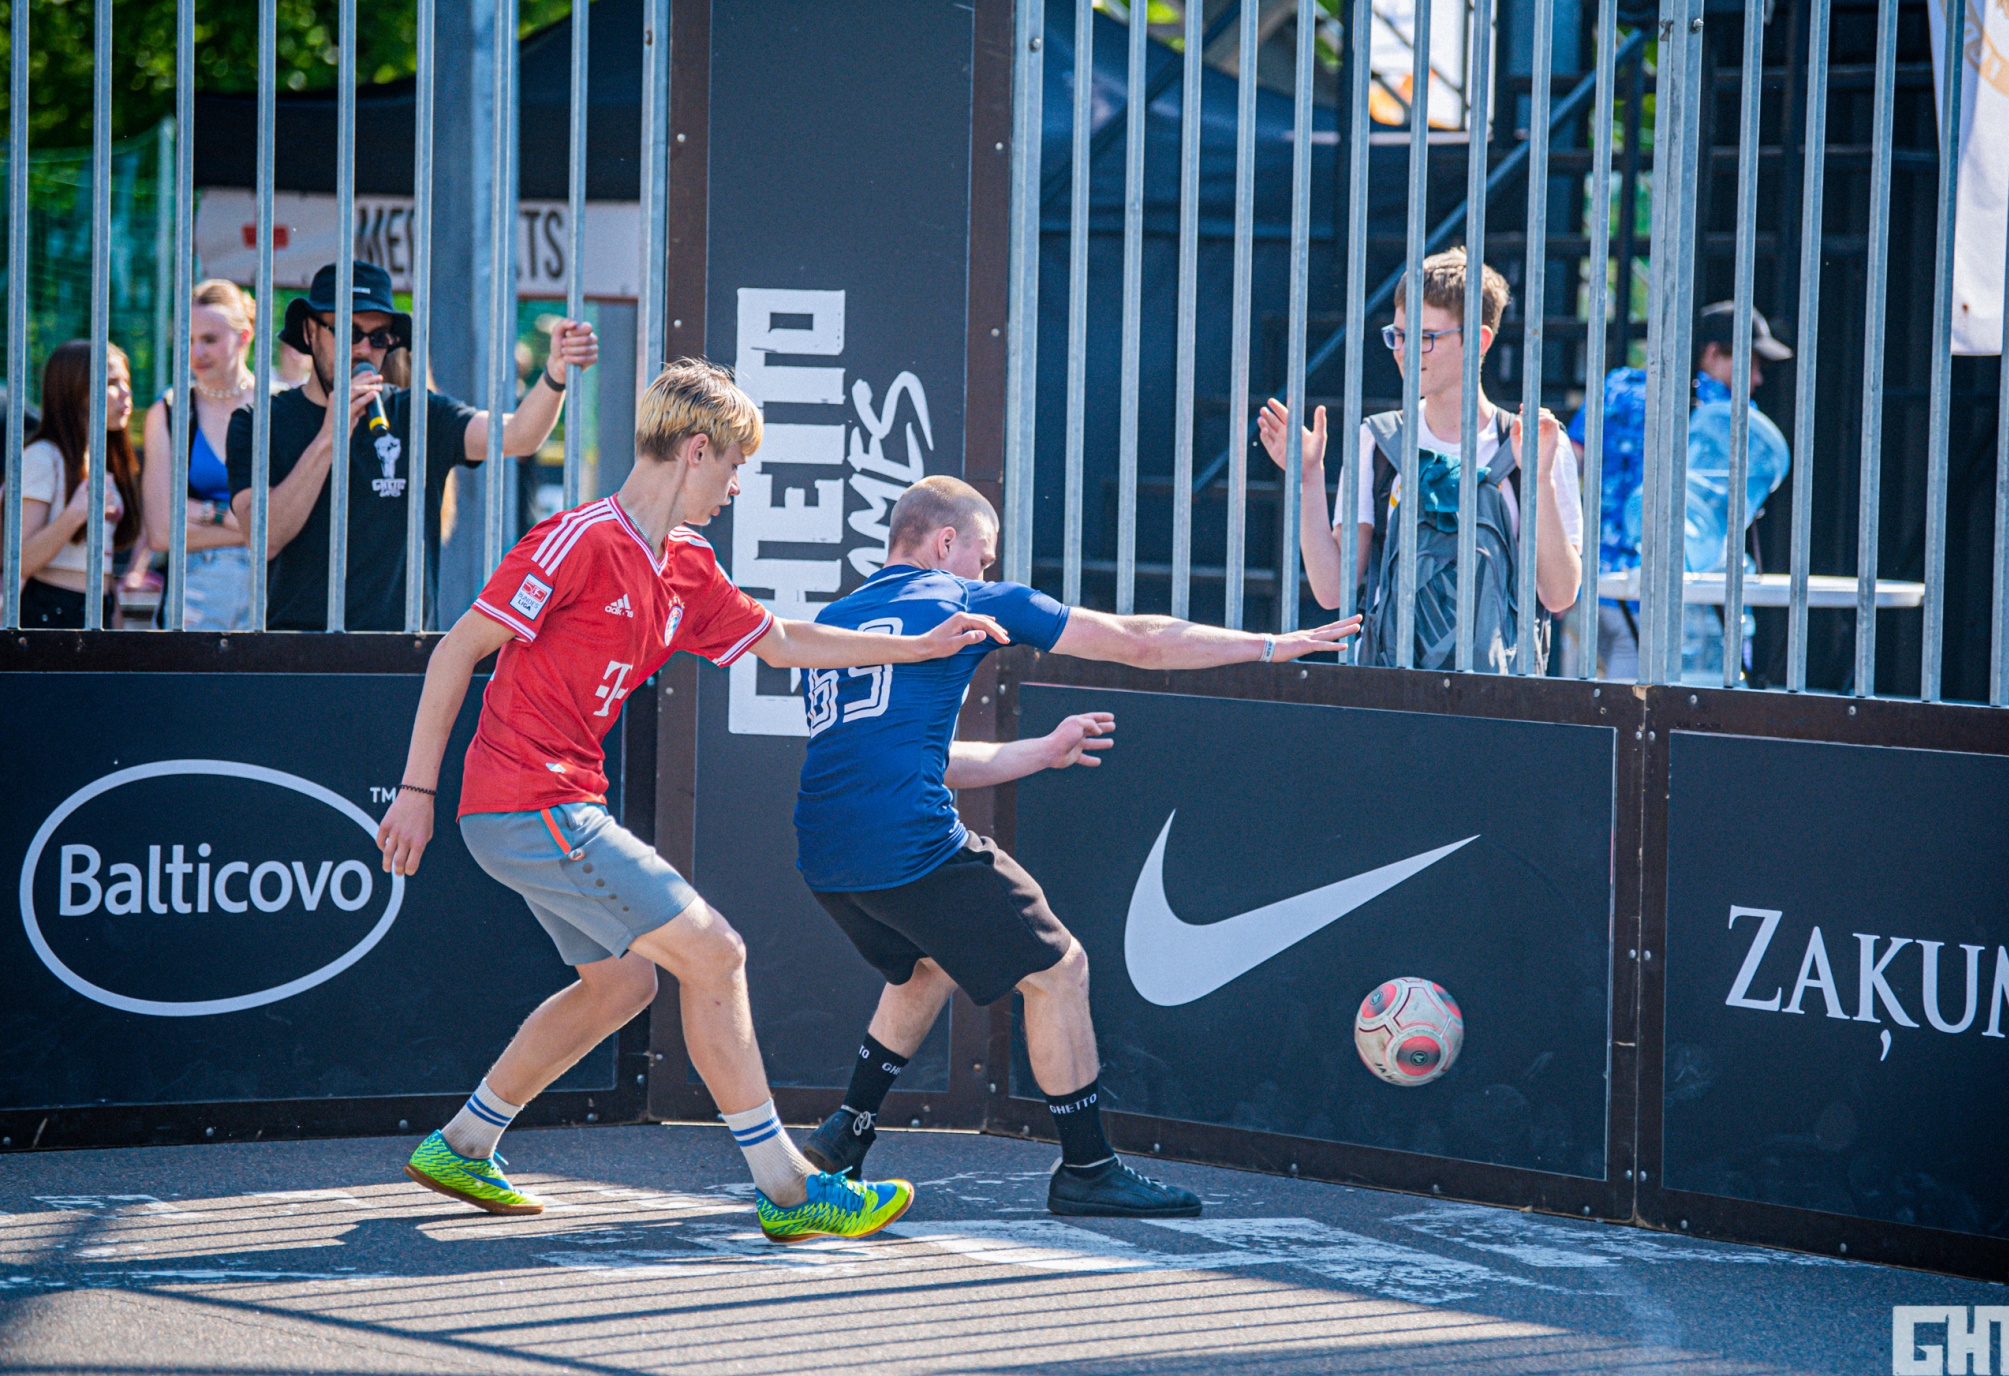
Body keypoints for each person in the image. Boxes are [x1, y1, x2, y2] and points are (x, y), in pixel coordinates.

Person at [373, 359, 1014, 1242]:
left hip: (552, 807)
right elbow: (457, 651)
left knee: (623, 985)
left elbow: (782, 643)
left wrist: (919, 648)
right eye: (735, 465)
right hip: (528, 802)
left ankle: (464, 1143)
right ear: (697, 449)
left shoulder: (686, 564)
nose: (737, 486)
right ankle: (789, 1188)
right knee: (717, 954)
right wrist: (415, 791)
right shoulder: (576, 541)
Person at [792, 476, 1360, 1218]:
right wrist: (1269, 645)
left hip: (826, 857)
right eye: (983, 556)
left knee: (927, 966)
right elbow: (1139, 642)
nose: (986, 571)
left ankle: (844, 1135)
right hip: (908, 843)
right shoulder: (964, 601)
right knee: (1060, 971)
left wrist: (1040, 750)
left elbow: (908, 759)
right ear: (944, 542)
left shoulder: (838, 621)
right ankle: (1088, 1168)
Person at [227, 259, 597, 632]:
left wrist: (555, 376)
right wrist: (329, 437)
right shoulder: (259, 422)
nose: (363, 349)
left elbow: (518, 435)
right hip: (297, 650)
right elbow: (264, 537)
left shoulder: (416, 413)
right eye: (350, 332)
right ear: (310, 331)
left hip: (399, 650)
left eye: (378, 337)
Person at [1263, 247, 1582, 672]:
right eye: (1398, 335)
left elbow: (1560, 595)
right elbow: (1333, 591)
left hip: (1502, 696)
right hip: (1393, 691)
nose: (1405, 351)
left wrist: (1540, 479)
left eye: (1426, 338)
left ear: (1478, 340)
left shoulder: (1536, 442)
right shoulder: (1377, 440)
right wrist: (1308, 477)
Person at [1570, 300, 1792, 681]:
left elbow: (1570, 461)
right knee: (1639, 708)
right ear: (1712, 354)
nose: (1757, 379)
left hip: (1589, 585)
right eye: (1752, 364)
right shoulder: (1724, 412)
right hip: (1654, 597)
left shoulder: (1618, 386)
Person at [142, 280, 259, 632]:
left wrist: (199, 513)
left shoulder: (280, 405)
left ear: (245, 336)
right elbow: (161, 532)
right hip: (194, 592)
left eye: (209, 339)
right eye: (189, 339)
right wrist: (243, 523)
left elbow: (296, 523)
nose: (197, 352)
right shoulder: (169, 411)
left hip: (271, 587)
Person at [15, 340, 141, 629]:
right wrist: (76, 512)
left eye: (126, 381)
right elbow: (19, 561)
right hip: (52, 610)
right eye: (111, 383)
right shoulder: (43, 456)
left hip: (100, 607)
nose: (126, 393)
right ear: (75, 390)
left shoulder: (101, 459)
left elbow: (101, 565)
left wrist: (115, 624)